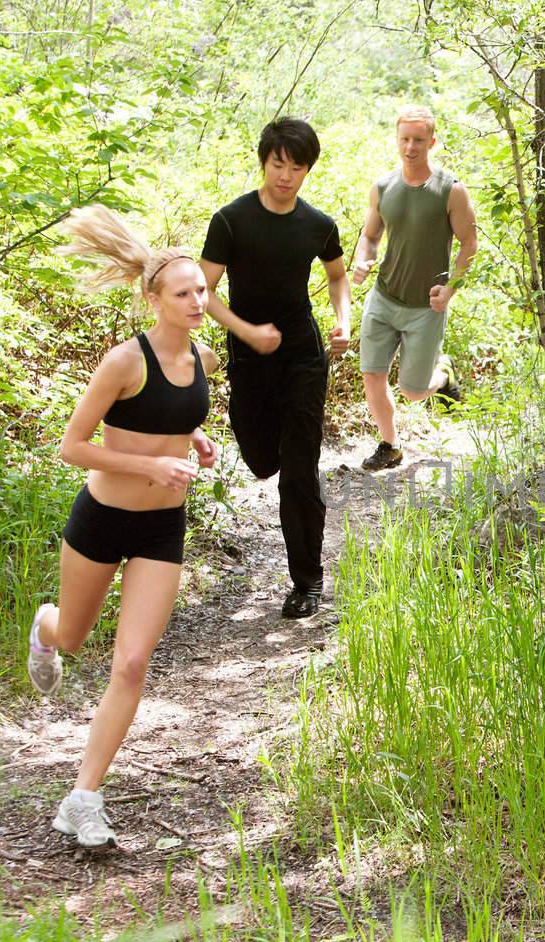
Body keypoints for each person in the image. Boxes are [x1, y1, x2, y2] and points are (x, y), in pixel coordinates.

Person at [25, 205, 219, 850]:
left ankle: (83, 797)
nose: (198, 301)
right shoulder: (122, 361)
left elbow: (168, 413)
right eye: (185, 293)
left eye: (203, 291)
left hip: (162, 530)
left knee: (132, 663)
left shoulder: (205, 359)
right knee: (75, 638)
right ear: (153, 299)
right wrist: (151, 462)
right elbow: (73, 447)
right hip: (102, 520)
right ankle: (45, 627)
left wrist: (193, 438)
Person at [199, 117, 350, 620]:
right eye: (278, 164)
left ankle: (307, 582)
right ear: (264, 161)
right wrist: (244, 331)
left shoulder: (317, 224)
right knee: (263, 458)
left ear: (308, 169)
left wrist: (342, 321)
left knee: (298, 466)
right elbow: (204, 291)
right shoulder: (230, 220)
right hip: (248, 355)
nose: (286, 175)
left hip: (302, 353)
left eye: (297, 167)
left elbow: (336, 277)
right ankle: (289, 468)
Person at [351, 105, 479, 471]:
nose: (410, 147)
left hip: (427, 306)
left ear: (431, 142)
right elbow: (370, 236)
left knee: (413, 391)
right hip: (384, 296)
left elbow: (469, 244)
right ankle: (390, 445)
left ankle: (444, 375)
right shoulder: (383, 187)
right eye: (404, 139)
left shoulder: (450, 190)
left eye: (418, 141)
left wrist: (450, 289)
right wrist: (364, 259)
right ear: (397, 140)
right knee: (373, 376)